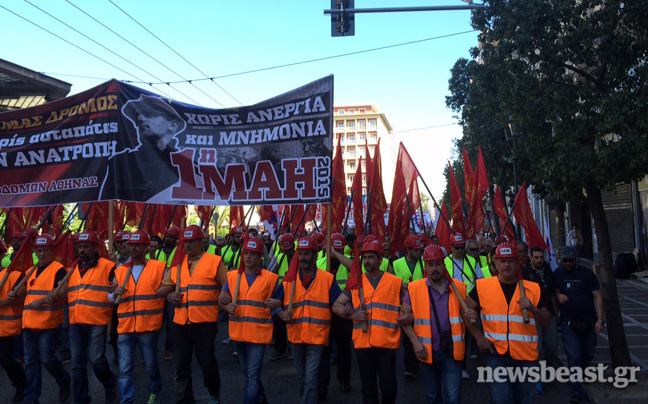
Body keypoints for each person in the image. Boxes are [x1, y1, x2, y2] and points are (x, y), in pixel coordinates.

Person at [465, 242, 551, 404]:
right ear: (495, 263)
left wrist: (534, 309)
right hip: (496, 355)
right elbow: (465, 312)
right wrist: (479, 338)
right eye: (502, 261)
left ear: (517, 262)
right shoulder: (482, 287)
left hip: (526, 357)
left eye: (511, 260)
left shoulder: (533, 288)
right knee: (500, 400)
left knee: (525, 401)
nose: (506, 265)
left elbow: (547, 321)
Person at [333, 241, 403, 404]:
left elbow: (406, 306)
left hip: (387, 343)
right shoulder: (357, 283)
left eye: (370, 257)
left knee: (389, 387)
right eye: (364, 258)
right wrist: (352, 316)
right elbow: (336, 305)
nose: (366, 261)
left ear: (380, 260)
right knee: (368, 390)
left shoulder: (394, 282)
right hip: (363, 344)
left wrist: (407, 316)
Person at [399, 245, 468, 404]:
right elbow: (403, 318)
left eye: (438, 264)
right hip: (426, 351)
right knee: (433, 397)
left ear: (444, 265)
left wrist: (472, 315)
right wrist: (415, 343)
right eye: (430, 264)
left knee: (453, 398)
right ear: (425, 266)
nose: (435, 268)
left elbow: (472, 311)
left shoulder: (457, 288)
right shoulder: (415, 289)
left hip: (451, 351)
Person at [166, 225, 228, 404]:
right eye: (185, 241)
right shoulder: (178, 263)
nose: (188, 245)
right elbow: (166, 287)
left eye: (192, 241)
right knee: (181, 365)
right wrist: (170, 294)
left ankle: (213, 392)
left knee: (207, 363)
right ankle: (184, 400)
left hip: (205, 323)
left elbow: (227, 287)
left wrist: (225, 300)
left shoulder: (215, 261)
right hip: (181, 323)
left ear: (201, 241)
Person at [219, 237, 282, 404]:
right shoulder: (232, 276)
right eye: (246, 253)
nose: (248, 257)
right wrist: (226, 307)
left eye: (253, 254)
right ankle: (261, 399)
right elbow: (222, 298)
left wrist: (278, 303)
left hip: (258, 336)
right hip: (238, 335)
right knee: (248, 374)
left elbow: (283, 300)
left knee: (252, 374)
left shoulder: (270, 278)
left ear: (260, 257)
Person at [277, 236, 340, 404]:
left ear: (315, 256)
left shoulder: (327, 279)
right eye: (301, 254)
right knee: (302, 377)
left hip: (317, 337)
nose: (303, 257)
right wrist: (280, 313)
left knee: (311, 378)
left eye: (307, 254)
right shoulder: (289, 279)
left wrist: (349, 311)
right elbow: (274, 301)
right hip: (295, 336)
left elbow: (338, 302)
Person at [111, 230, 166, 404]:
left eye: (137, 245)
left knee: (150, 365)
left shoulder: (158, 268)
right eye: (131, 245)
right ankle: (126, 400)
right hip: (125, 327)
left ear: (146, 247)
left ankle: (155, 391)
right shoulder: (120, 271)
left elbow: (169, 287)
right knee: (125, 369)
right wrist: (114, 293)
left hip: (148, 327)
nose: (133, 248)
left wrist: (168, 290)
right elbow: (109, 296)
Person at [101, 94, 188, 201]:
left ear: (173, 125)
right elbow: (107, 200)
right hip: (132, 217)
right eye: (137, 116)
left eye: (150, 114)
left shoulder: (185, 164)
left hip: (170, 216)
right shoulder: (121, 160)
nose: (140, 118)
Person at [18, 235, 72, 404]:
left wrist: (44, 300)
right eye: (38, 250)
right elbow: (22, 294)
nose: (41, 254)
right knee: (31, 362)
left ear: (51, 251)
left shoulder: (58, 269)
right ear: (35, 251)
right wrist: (15, 293)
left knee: (47, 359)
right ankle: (32, 398)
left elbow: (63, 291)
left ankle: (63, 379)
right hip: (28, 323)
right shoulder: (30, 271)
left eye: (45, 250)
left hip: (47, 323)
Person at [67, 231, 118, 404]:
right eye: (80, 246)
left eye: (86, 246)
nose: (82, 250)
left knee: (96, 359)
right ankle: (81, 399)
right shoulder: (71, 269)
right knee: (77, 364)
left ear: (96, 248)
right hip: (75, 322)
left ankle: (109, 383)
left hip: (97, 321)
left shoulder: (108, 266)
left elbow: (116, 289)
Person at [554, 246, 605, 404]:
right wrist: (558, 296)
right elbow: (553, 290)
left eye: (570, 260)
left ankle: (576, 374)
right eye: (565, 261)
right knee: (574, 355)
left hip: (589, 321)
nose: (567, 263)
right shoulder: (558, 274)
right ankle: (576, 391)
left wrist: (600, 320)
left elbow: (598, 297)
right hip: (569, 323)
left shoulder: (587, 274)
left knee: (588, 353)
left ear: (576, 260)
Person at [522, 246, 558, 395]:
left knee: (551, 346)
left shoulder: (549, 272)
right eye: (536, 257)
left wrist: (556, 313)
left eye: (541, 257)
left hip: (548, 315)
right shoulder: (525, 274)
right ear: (531, 258)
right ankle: (538, 378)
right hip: (533, 315)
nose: (539, 260)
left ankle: (547, 367)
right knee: (536, 348)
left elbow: (553, 293)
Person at [391, 234, 425, 380]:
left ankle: (423, 364)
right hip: (404, 305)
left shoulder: (424, 263)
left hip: (422, 305)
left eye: (420, 250)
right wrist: (401, 287)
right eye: (416, 250)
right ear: (409, 250)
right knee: (407, 338)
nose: (420, 253)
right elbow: (391, 283)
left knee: (423, 335)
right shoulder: (397, 264)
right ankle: (410, 368)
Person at [0, 259, 28, 403]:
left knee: (6, 361)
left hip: (5, 328)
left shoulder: (12, 275)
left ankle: (21, 384)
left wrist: (2, 303)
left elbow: (20, 298)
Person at [267, 233, 295, 361]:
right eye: (285, 250)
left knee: (294, 321)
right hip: (281, 293)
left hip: (296, 293)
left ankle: (293, 350)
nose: (287, 253)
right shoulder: (279, 257)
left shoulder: (299, 257)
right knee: (278, 321)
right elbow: (269, 272)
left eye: (289, 250)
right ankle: (280, 349)